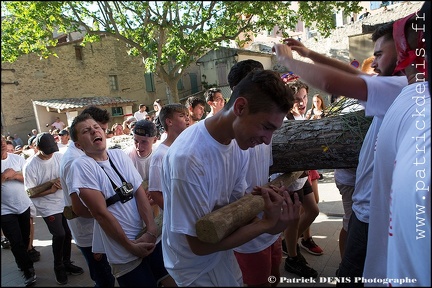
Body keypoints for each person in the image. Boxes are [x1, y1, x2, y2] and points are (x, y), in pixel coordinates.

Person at [273, 19, 408, 286]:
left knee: (352, 274)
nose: (376, 62)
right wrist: (308, 53)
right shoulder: (399, 87)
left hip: (372, 212)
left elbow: (329, 81)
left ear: (404, 50)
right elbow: (353, 74)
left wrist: (287, 61)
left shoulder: (400, 87)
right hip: (368, 207)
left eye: (380, 54)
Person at [161, 69, 300, 286]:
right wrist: (265, 225)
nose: (266, 140)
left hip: (220, 253)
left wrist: (268, 214)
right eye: (266, 127)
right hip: (192, 267)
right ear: (240, 107)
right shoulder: (188, 159)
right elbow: (198, 245)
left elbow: (235, 209)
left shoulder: (236, 143)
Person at [364, 12, 430, 286]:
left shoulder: (413, 98)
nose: (375, 63)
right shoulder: (411, 98)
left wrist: (294, 57)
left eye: (381, 54)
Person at [68, 113, 159, 287]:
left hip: (147, 235)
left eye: (96, 127)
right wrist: (129, 246)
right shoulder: (81, 166)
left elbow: (139, 191)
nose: (94, 131)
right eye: (87, 131)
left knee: (167, 279)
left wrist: (151, 228)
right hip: (123, 250)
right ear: (79, 145)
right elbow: (100, 214)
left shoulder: (119, 155)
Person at [228, 59, 286, 287]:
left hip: (269, 225)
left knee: (273, 278)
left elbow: (265, 171)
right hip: (249, 236)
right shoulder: (227, 141)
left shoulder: (265, 129)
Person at [59, 106, 115, 287]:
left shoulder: (84, 154)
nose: (101, 134)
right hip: (90, 233)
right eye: (100, 129)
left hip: (97, 228)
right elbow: (80, 207)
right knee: (104, 279)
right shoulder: (75, 160)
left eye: (101, 130)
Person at [23, 132, 84, 285]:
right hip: (47, 205)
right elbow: (30, 192)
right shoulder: (30, 165)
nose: (50, 154)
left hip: (62, 201)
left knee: (68, 233)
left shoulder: (58, 156)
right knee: (59, 234)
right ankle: (58, 267)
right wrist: (49, 190)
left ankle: (67, 262)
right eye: (47, 151)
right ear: (37, 148)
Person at [124, 119, 177, 287]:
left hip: (156, 218)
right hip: (133, 217)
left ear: (154, 139)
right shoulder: (126, 157)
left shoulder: (160, 157)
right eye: (136, 141)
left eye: (144, 142)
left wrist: (154, 197)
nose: (139, 146)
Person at [1, 135, 37, 287]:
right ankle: (27, 269)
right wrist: (3, 176)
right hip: (4, 210)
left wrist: (14, 175)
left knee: (24, 238)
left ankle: (22, 260)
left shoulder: (17, 159)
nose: (2, 144)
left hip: (22, 206)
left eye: (2, 141)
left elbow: (27, 178)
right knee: (16, 241)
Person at [148, 103, 190, 210]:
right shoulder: (160, 155)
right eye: (181, 116)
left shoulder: (188, 146)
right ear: (169, 121)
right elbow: (155, 192)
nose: (187, 119)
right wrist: (173, 215)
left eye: (187, 115)